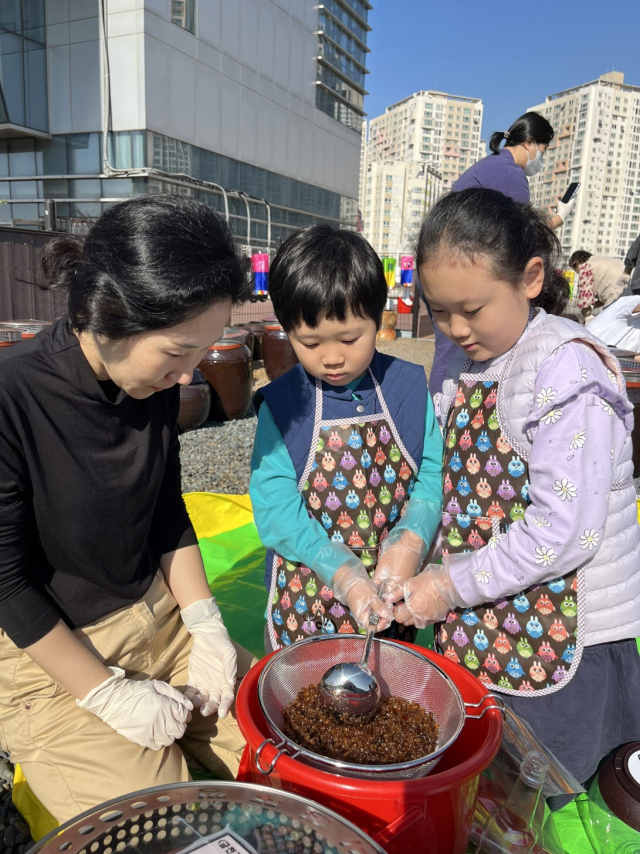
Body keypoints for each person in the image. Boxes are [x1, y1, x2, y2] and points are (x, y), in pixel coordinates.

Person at [0, 195, 254, 823]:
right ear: (104, 313)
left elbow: (168, 509)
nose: (188, 376)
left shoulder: (152, 385)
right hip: (55, 654)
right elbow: (6, 582)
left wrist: (206, 625)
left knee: (276, 740)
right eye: (176, 353)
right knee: (156, 816)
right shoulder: (13, 398)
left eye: (202, 351)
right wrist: (106, 694)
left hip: (158, 618)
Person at [382, 188, 640, 784]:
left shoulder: (565, 367)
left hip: (565, 636)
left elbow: (564, 530)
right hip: (489, 619)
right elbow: (453, 480)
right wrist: (409, 545)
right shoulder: (465, 362)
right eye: (439, 311)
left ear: (530, 278)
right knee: (488, 790)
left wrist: (444, 587)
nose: (454, 329)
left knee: (552, 795)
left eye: (472, 309)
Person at [249, 225, 442, 650]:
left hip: (389, 590)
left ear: (379, 319)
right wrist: (340, 571)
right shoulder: (282, 405)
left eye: (351, 338)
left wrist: (412, 539)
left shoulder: (408, 387)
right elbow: (276, 507)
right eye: (310, 342)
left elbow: (432, 472)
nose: (332, 357)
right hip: (306, 596)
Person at [428, 113, 575, 397]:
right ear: (530, 143)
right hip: (465, 270)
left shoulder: (491, 166)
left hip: (446, 264)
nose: (540, 158)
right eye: (542, 151)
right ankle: (445, 419)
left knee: (451, 351)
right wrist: (557, 220)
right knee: (459, 350)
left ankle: (439, 419)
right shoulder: (511, 174)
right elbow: (519, 237)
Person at [569, 250, 631, 320]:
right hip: (631, 293)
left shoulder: (584, 268)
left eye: (576, 270)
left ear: (577, 263)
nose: (578, 273)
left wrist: (587, 314)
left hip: (615, 297)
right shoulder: (602, 260)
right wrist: (594, 305)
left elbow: (584, 299)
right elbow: (606, 289)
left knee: (607, 325)